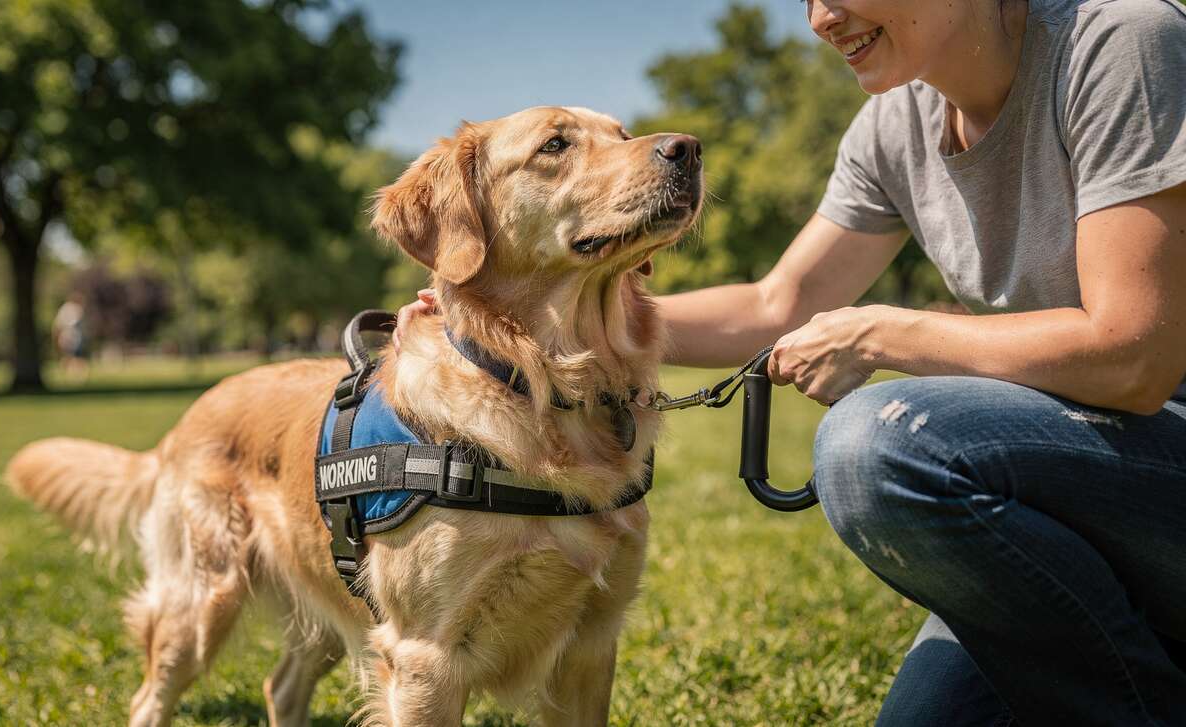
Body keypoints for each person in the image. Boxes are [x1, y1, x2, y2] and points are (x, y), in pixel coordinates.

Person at [395, 0, 1186, 722]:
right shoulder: (895, 125)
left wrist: (881, 332)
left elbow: (1135, 358)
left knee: (878, 442)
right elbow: (779, 306)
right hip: (1065, 485)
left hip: (1164, 461)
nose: (819, 17)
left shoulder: (1119, 45)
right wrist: (512, 326)